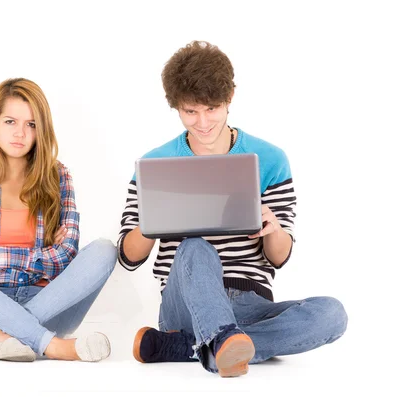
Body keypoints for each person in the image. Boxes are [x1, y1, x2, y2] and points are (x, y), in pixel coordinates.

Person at [116, 41, 347, 377]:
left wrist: (274, 228)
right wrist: (153, 220)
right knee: (195, 245)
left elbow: (279, 257)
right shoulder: (154, 165)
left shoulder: (269, 160)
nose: (203, 122)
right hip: (184, 305)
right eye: (190, 111)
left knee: (332, 314)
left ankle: (194, 346)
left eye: (212, 109)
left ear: (229, 99)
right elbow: (128, 256)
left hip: (252, 303)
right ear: (176, 107)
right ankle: (218, 339)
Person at [0, 78, 117, 362]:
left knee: (106, 249)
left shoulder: (59, 177)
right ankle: (53, 347)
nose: (20, 133)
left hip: (47, 308)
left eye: (31, 124)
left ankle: (7, 339)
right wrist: (40, 257)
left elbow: (66, 255)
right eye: (10, 122)